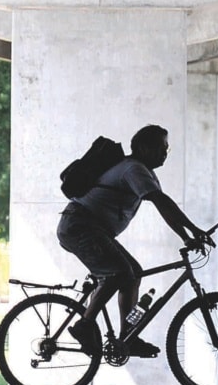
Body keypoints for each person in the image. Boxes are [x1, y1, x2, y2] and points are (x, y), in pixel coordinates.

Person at [56, 124, 207, 357]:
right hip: (79, 226)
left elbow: (165, 205)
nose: (165, 153)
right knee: (118, 273)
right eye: (161, 147)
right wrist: (192, 232)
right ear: (144, 148)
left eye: (167, 148)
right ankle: (84, 326)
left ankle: (128, 336)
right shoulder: (132, 169)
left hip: (91, 228)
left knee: (133, 273)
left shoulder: (141, 171)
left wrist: (188, 235)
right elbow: (161, 202)